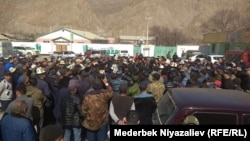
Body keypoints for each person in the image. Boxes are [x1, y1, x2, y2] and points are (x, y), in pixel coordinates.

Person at [82, 77, 114, 141]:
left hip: (91, 122)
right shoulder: (104, 95)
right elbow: (111, 92)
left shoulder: (87, 97)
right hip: (102, 121)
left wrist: (87, 116)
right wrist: (106, 83)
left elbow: (83, 111)